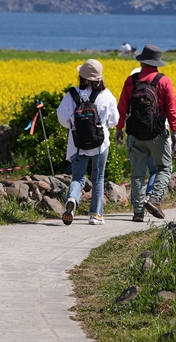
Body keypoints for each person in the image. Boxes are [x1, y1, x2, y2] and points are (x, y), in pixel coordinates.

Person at [115, 44, 176, 222]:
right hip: (157, 132)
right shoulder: (164, 81)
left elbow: (122, 108)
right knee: (164, 167)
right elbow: (171, 109)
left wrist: (119, 128)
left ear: (142, 61)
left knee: (137, 173)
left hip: (135, 132)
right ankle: (155, 200)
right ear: (157, 62)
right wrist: (175, 131)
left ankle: (137, 212)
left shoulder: (131, 81)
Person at [56, 58, 119, 225]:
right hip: (100, 143)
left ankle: (72, 199)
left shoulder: (72, 95)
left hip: (77, 142)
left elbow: (62, 117)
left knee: (78, 177)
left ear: (81, 76)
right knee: (98, 177)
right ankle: (96, 215)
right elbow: (115, 120)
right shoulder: (107, 95)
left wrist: (74, 126)